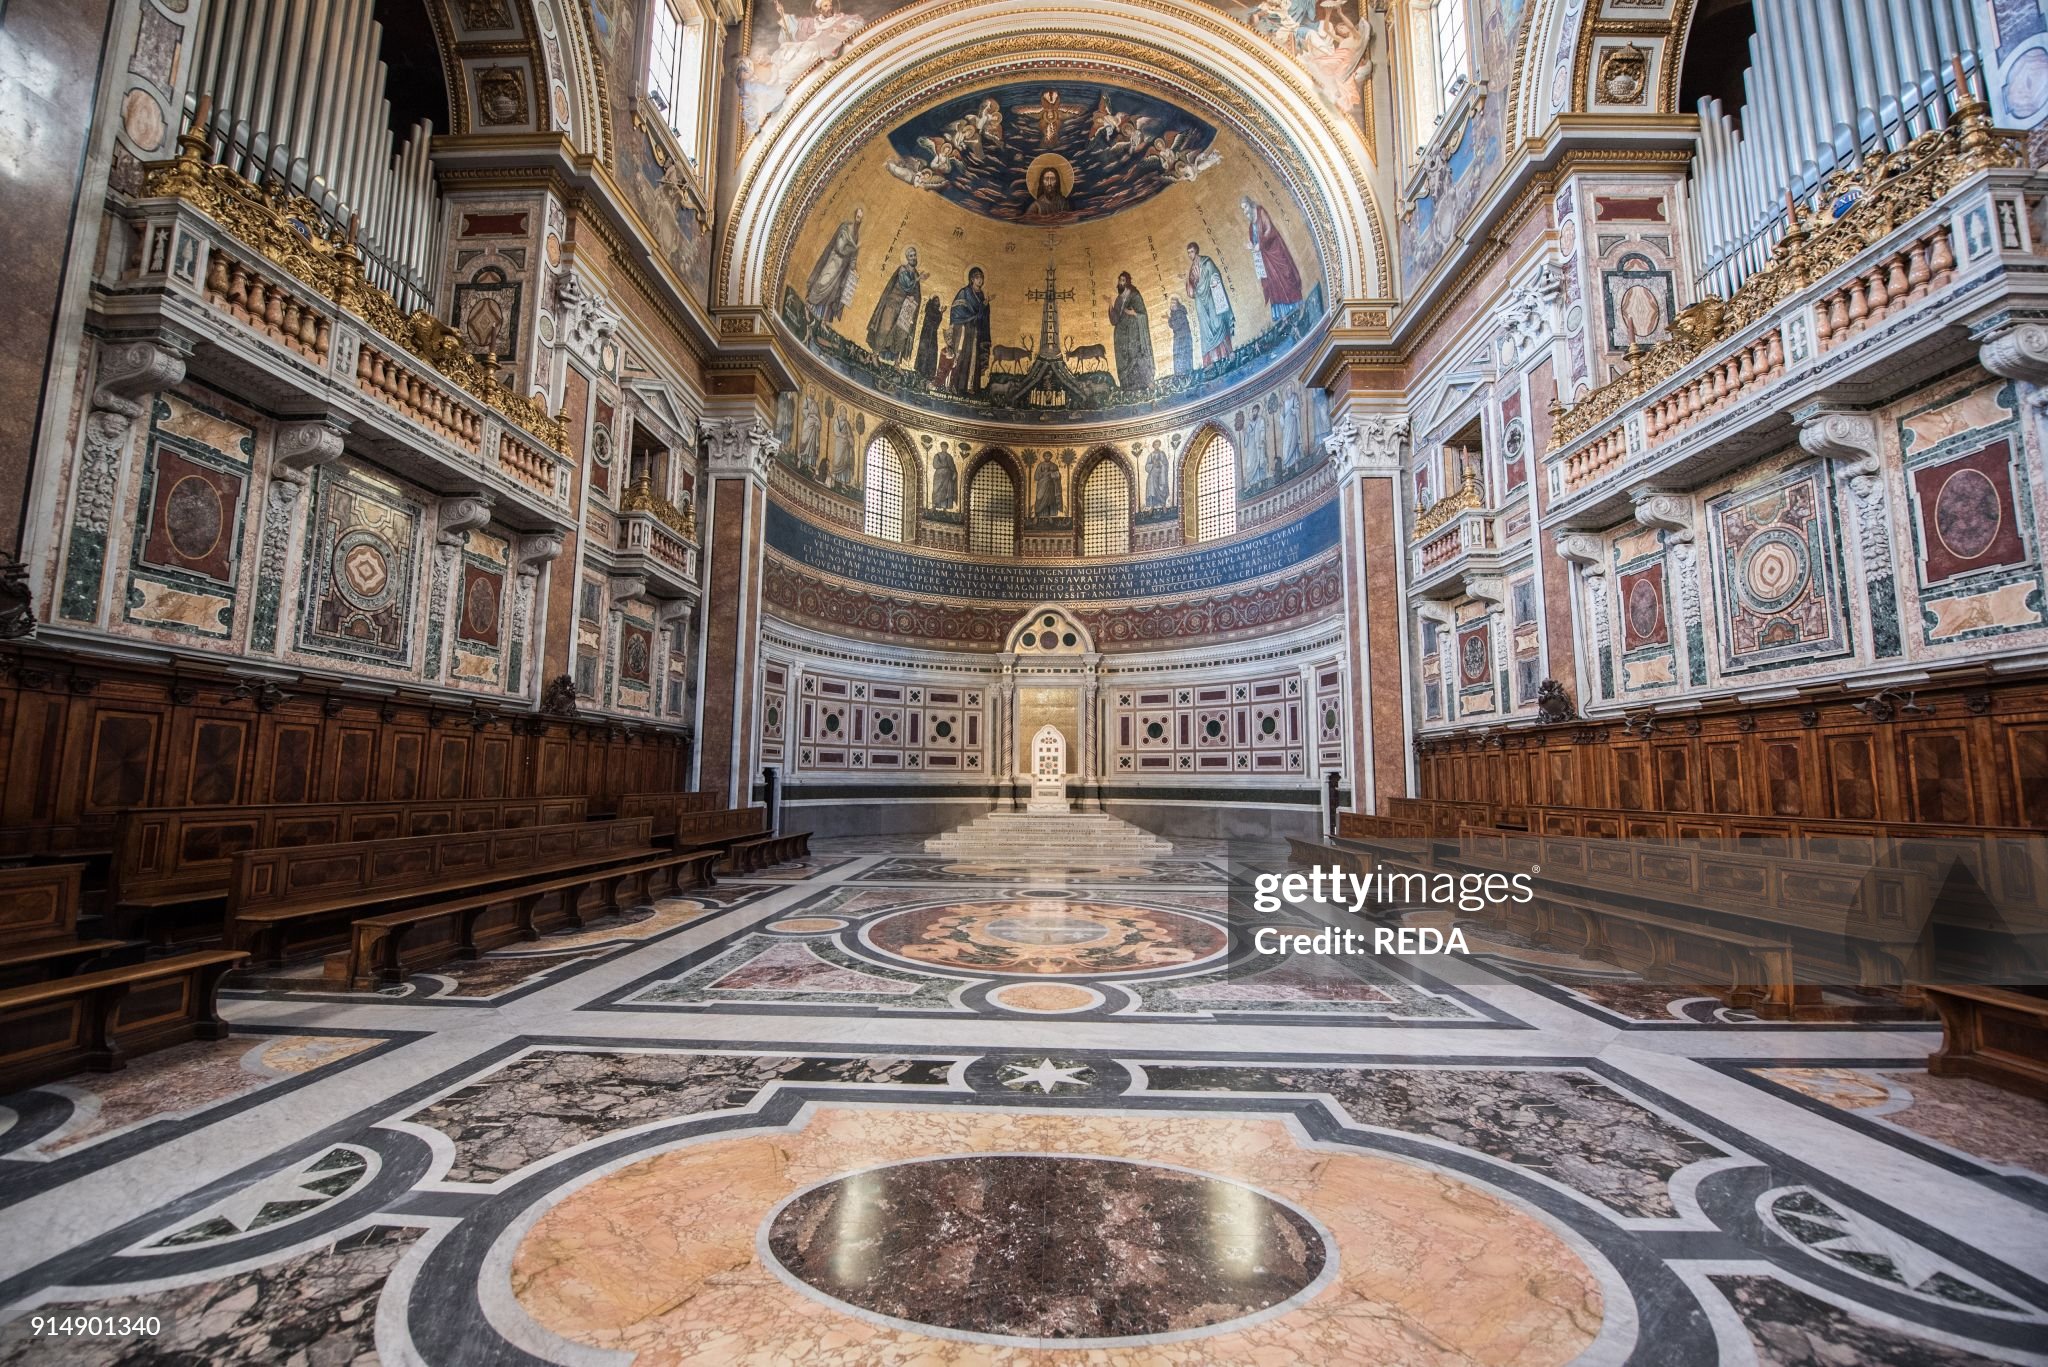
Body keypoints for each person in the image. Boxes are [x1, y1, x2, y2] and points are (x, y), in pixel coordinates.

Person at [1241, 196, 1305, 322]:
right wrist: (1252, 246)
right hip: (1266, 261)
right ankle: (1285, 317)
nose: (1245, 211)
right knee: (1274, 285)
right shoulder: (1251, 227)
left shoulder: (1261, 212)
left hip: (1275, 251)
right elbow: (1255, 243)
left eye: (1245, 207)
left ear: (1250, 204)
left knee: (1286, 277)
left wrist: (1260, 244)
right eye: (1243, 209)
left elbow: (1269, 230)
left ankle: (1299, 306)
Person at [865, 245, 924, 364]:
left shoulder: (915, 273)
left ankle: (895, 362)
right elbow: (906, 284)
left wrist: (913, 299)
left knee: (899, 334)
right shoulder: (902, 269)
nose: (913, 258)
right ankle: (874, 355)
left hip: (904, 309)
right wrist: (918, 279)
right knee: (884, 329)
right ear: (907, 258)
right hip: (892, 304)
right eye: (911, 256)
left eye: (914, 255)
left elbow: (915, 293)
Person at [804, 209, 862, 324]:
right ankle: (808, 304)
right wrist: (855, 247)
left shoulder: (856, 236)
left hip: (841, 269)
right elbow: (840, 248)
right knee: (823, 282)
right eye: (858, 217)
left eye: (860, 219)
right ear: (854, 215)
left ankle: (820, 317)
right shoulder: (845, 229)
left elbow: (853, 256)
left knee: (832, 293)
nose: (858, 221)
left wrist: (853, 268)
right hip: (834, 261)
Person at [1184, 241, 1235, 366]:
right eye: (1188, 253)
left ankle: (1229, 352)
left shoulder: (1206, 262)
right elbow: (1191, 293)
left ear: (1196, 251)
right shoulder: (1191, 271)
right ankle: (1211, 361)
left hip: (1211, 295)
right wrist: (1188, 280)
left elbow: (1215, 275)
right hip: (1200, 300)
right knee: (1206, 330)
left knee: (1218, 323)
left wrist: (1212, 282)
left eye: (1191, 251)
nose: (1190, 255)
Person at [947, 266, 992, 396]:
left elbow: (982, 315)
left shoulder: (981, 295)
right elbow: (957, 310)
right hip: (965, 330)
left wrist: (985, 305)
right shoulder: (965, 292)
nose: (980, 280)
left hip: (976, 331)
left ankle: (971, 386)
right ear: (972, 279)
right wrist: (974, 314)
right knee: (963, 355)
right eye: (977, 277)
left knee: (975, 358)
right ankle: (957, 385)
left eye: (981, 277)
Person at [1107, 271, 1155, 390]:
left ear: (1127, 282)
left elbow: (1143, 314)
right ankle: (1129, 387)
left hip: (1134, 332)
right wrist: (1110, 304)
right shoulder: (1119, 299)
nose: (1120, 283)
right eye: (1119, 280)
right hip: (1122, 335)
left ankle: (1146, 382)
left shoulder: (1134, 295)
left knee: (1136, 354)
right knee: (1124, 359)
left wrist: (1133, 313)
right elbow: (1114, 320)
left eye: (1123, 280)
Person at [914, 296, 943, 380]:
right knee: (924, 351)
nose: (937, 302)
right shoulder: (929, 308)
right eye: (936, 300)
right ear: (933, 301)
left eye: (938, 301)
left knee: (932, 352)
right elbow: (931, 317)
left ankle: (929, 373)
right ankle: (920, 370)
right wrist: (940, 313)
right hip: (926, 334)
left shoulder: (937, 312)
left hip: (933, 335)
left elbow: (937, 323)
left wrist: (941, 313)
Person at [1167, 296, 1194, 375]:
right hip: (1179, 337)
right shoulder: (1174, 313)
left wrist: (1168, 319)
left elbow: (1176, 325)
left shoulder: (1179, 312)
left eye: (1174, 303)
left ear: (1178, 304)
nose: (1172, 305)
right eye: (1171, 303)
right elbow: (1173, 325)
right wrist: (1170, 318)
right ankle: (1181, 373)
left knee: (1183, 354)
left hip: (1183, 337)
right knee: (1178, 354)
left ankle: (1185, 372)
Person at [931, 443, 958, 509]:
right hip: (939, 475)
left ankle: (945, 507)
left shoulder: (949, 457)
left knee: (947, 490)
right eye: (943, 446)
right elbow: (935, 465)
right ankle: (935, 505)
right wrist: (943, 465)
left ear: (947, 447)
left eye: (945, 447)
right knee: (937, 489)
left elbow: (952, 466)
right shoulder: (937, 455)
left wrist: (954, 473)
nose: (944, 448)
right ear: (941, 447)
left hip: (947, 475)